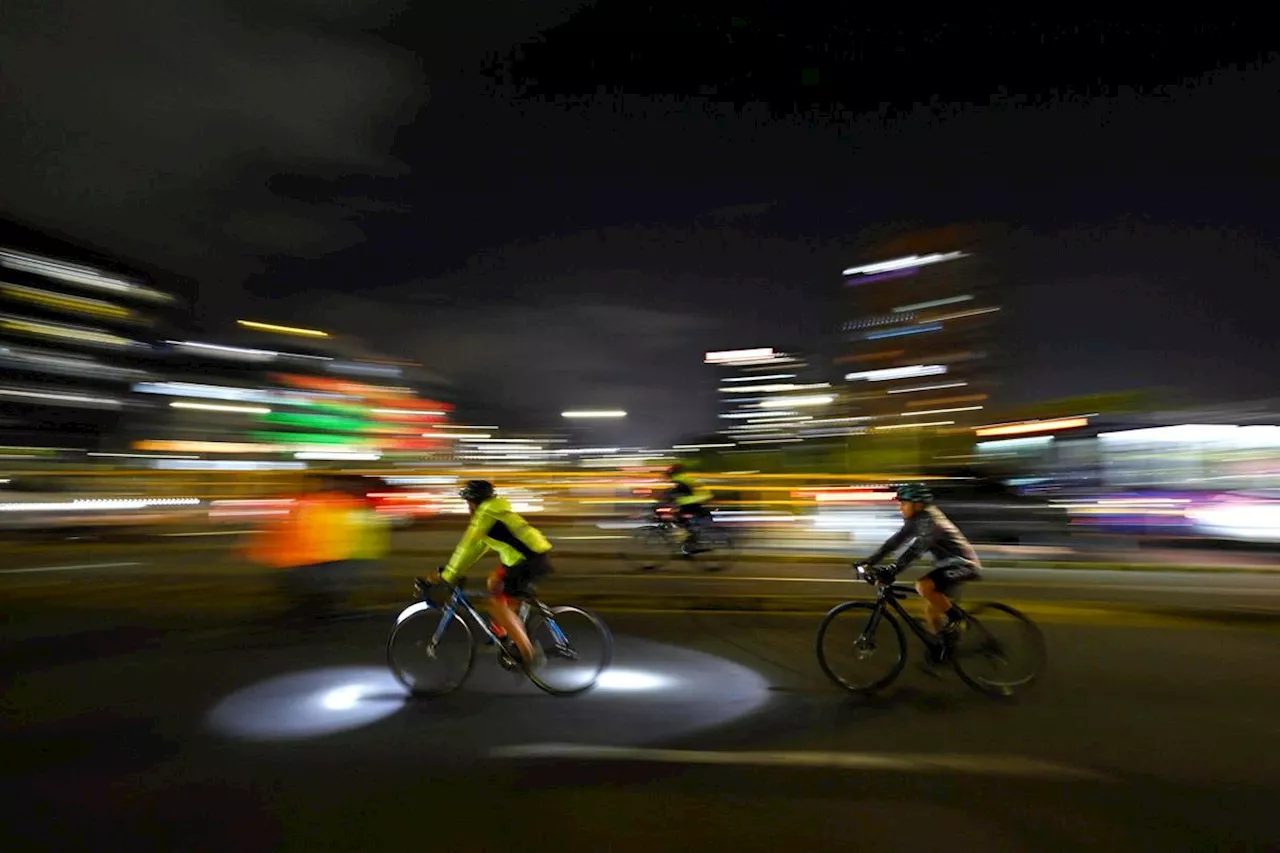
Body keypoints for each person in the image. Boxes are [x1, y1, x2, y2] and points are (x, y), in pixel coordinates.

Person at [426, 480, 551, 669]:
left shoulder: (485, 515)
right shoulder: (493, 510)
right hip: (524, 557)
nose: (468, 507)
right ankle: (502, 633)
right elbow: (477, 548)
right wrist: (452, 571)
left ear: (474, 502)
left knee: (495, 605)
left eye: (468, 502)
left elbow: (466, 548)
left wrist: (448, 575)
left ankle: (529, 655)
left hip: (527, 561)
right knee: (494, 580)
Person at [857, 482, 982, 664]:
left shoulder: (930, 521)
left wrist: (892, 570)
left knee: (923, 586)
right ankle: (944, 649)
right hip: (948, 566)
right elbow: (895, 542)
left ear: (917, 504)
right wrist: (870, 561)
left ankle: (957, 619)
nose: (900, 508)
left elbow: (916, 550)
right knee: (932, 612)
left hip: (964, 565)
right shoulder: (917, 519)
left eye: (904, 503)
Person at [663, 463, 713, 556]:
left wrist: (663, 501)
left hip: (694, 502)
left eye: (668, 475)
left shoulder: (679, 480)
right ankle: (688, 544)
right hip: (696, 501)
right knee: (682, 521)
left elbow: (672, 493)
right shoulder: (683, 478)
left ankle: (690, 544)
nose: (667, 478)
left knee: (681, 520)